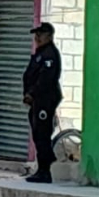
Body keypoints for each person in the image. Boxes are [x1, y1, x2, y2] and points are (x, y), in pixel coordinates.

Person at [24, 22, 63, 183]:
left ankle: (44, 171)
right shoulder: (41, 53)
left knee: (42, 134)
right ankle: (46, 163)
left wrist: (32, 94)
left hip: (44, 100)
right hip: (38, 101)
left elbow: (45, 80)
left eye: (40, 34)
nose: (36, 38)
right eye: (36, 35)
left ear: (49, 36)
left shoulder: (49, 55)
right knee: (38, 133)